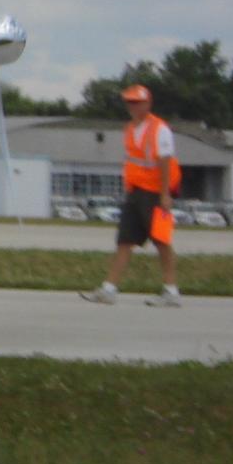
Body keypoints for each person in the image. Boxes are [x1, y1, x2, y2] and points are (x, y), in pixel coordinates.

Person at [80, 85, 182, 306]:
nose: (132, 106)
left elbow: (165, 162)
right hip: (135, 191)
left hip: (155, 193)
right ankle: (109, 289)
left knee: (162, 242)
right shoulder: (130, 128)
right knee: (124, 241)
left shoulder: (159, 129)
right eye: (129, 102)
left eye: (137, 102)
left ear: (148, 104)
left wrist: (165, 195)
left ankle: (171, 291)